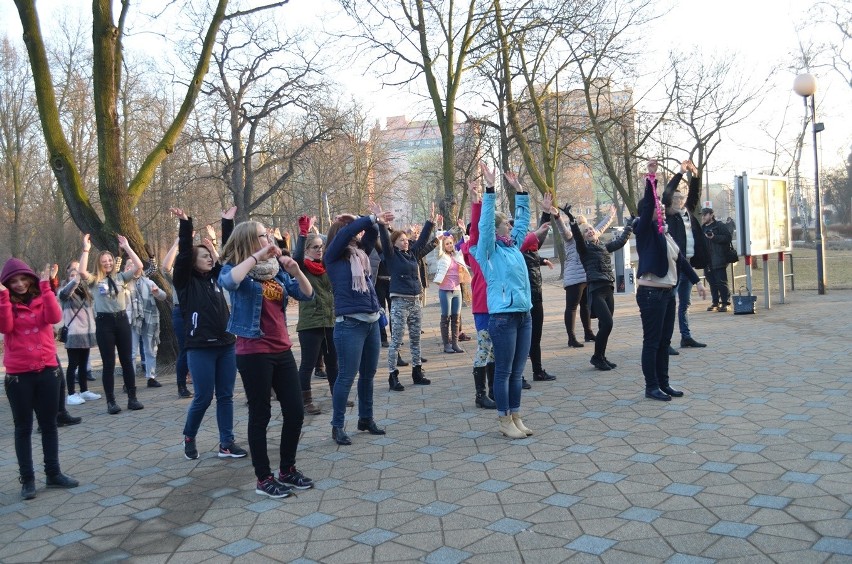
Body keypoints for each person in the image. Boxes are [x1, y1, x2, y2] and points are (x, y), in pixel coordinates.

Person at [219, 219, 315, 498]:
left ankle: (287, 469)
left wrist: (297, 271)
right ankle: (264, 478)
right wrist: (256, 256)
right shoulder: (236, 270)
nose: (269, 238)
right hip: (253, 353)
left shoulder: (275, 272)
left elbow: (307, 294)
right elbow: (229, 281)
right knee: (260, 415)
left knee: (295, 411)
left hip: (281, 348)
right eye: (264, 235)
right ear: (250, 240)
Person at [170, 207, 246, 463]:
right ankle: (189, 436)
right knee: (203, 396)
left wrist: (227, 222)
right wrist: (185, 225)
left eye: (209, 255)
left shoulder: (218, 277)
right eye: (203, 256)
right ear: (193, 260)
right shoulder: (184, 282)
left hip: (226, 344)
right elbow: (182, 255)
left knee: (225, 395)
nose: (209, 259)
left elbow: (229, 257)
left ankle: (226, 442)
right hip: (200, 347)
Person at [1, 258, 79, 500]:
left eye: (23, 279)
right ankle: (27, 479)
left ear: (30, 279)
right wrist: (3, 298)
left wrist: (46, 286)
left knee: (49, 425)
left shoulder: (41, 296)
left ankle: (53, 473)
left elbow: (55, 316)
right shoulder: (5, 303)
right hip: (19, 375)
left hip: (47, 371)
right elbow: (5, 327)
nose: (19, 284)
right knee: (23, 428)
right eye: (13, 281)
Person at [634, 159, 708, 400]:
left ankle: (664, 384)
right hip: (651, 295)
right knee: (652, 342)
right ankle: (651, 386)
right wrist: (651, 178)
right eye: (658, 207)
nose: (663, 209)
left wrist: (697, 282)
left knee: (665, 342)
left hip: (666, 295)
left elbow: (681, 261)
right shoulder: (645, 230)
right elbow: (650, 207)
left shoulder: (666, 234)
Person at [472, 165, 534, 440]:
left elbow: (522, 223)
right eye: (505, 223)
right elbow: (484, 224)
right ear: (496, 228)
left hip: (524, 315)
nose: (510, 225)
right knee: (504, 371)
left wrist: (520, 192)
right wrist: (490, 189)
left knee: (518, 372)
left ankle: (516, 416)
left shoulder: (512, 245)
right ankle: (504, 418)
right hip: (503, 317)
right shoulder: (488, 249)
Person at [324, 211, 394, 445]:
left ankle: (366, 418)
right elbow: (347, 233)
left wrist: (366, 219)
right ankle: (337, 425)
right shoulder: (332, 257)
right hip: (349, 324)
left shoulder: (361, 254)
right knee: (346, 376)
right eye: (352, 233)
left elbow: (372, 232)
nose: (357, 236)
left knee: (369, 375)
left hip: (372, 321)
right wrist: (360, 220)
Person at [78, 233, 145, 414]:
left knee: (127, 361)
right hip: (104, 323)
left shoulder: (121, 277)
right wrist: (86, 249)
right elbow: (81, 272)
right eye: (104, 261)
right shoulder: (94, 280)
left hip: (122, 320)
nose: (107, 263)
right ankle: (111, 402)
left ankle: (132, 397)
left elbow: (139, 266)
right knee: (108, 363)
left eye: (109, 260)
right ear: (99, 263)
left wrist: (127, 247)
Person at [568, 205, 633, 371]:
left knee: (605, 326)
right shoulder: (583, 249)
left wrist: (629, 225)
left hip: (608, 288)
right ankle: (596, 357)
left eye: (591, 229)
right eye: (586, 231)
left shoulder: (603, 246)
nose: (590, 231)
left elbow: (621, 241)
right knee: (608, 323)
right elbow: (577, 237)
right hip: (596, 290)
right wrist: (573, 222)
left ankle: (601, 356)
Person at [378, 206, 437, 389]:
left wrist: (430, 221)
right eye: (402, 240)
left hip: (415, 301)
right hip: (399, 302)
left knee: (415, 339)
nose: (405, 242)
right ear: (394, 243)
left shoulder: (412, 254)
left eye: (406, 240)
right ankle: (392, 376)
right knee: (396, 340)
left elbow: (421, 241)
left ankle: (417, 372)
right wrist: (382, 223)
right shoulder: (391, 255)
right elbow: (385, 243)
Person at [292, 215, 338, 415]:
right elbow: (294, 259)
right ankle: (305, 400)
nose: (320, 250)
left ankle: (338, 396)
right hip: (310, 324)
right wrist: (303, 233)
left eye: (321, 246)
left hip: (329, 321)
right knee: (308, 364)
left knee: (333, 362)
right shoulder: (303, 267)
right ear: (307, 250)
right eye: (315, 247)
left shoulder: (326, 266)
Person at [662, 160, 708, 349]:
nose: (678, 201)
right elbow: (666, 193)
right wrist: (680, 172)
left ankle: (686, 336)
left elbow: (695, 193)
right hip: (673, 265)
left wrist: (695, 175)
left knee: (685, 302)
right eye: (675, 199)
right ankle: (665, 342)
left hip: (687, 264)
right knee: (670, 303)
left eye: (681, 199)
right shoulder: (669, 215)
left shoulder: (688, 212)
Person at [556, 206, 616, 348]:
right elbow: (563, 230)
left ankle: (588, 333)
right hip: (574, 278)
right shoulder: (571, 238)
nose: (588, 230)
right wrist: (558, 217)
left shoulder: (589, 237)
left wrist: (610, 216)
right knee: (572, 307)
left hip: (586, 276)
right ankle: (571, 338)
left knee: (585, 305)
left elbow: (599, 228)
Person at [460, 178, 496, 410]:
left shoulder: (495, 249)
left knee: (495, 350)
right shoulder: (474, 249)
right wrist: (476, 199)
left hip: (499, 306)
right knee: (485, 349)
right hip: (483, 307)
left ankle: (494, 390)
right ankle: (480, 394)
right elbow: (478, 228)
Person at [520, 203, 555, 382]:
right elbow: (535, 238)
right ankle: (518, 376)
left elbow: (536, 242)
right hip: (523, 299)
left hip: (536, 296)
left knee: (536, 337)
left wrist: (546, 213)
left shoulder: (531, 250)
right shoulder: (515, 248)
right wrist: (545, 215)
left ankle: (538, 371)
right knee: (522, 339)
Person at [58, 261, 100, 406]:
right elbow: (65, 293)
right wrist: (76, 279)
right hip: (74, 335)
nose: (75, 277)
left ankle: (84, 391)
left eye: (77, 275)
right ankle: (70, 394)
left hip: (87, 333)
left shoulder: (86, 292)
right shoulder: (64, 293)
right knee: (73, 365)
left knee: (83, 365)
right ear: (68, 278)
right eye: (72, 275)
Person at [128, 267, 168, 388]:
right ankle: (129, 380)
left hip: (149, 318)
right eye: (130, 266)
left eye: (134, 266)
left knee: (150, 349)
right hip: (133, 320)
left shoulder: (148, 282)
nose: (133, 269)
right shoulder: (124, 284)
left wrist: (157, 292)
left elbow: (163, 296)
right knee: (132, 352)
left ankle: (151, 377)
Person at [434, 225, 470, 356]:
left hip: (456, 290)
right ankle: (446, 344)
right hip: (445, 290)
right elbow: (438, 241)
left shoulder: (457, 255)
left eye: (451, 243)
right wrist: (441, 228)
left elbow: (465, 242)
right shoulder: (441, 256)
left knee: (456, 318)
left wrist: (463, 230)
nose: (449, 245)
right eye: (447, 244)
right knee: (446, 317)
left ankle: (455, 343)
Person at [701, 207, 732, 312]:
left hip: (719, 258)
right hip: (707, 261)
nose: (703, 217)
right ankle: (715, 302)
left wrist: (714, 237)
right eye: (702, 215)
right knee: (712, 282)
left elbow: (728, 238)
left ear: (711, 215)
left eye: (705, 214)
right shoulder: (702, 228)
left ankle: (725, 303)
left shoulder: (719, 226)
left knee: (721, 282)